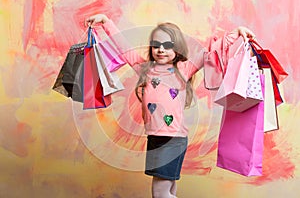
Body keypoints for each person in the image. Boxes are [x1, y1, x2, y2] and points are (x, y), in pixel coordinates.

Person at [85, 14, 255, 198]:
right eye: (156, 45)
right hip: (155, 138)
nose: (161, 50)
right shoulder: (145, 69)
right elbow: (123, 47)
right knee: (169, 190)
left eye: (167, 46)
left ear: (177, 49)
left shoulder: (184, 69)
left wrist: (236, 34)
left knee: (160, 193)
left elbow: (208, 50)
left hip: (173, 139)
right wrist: (105, 22)